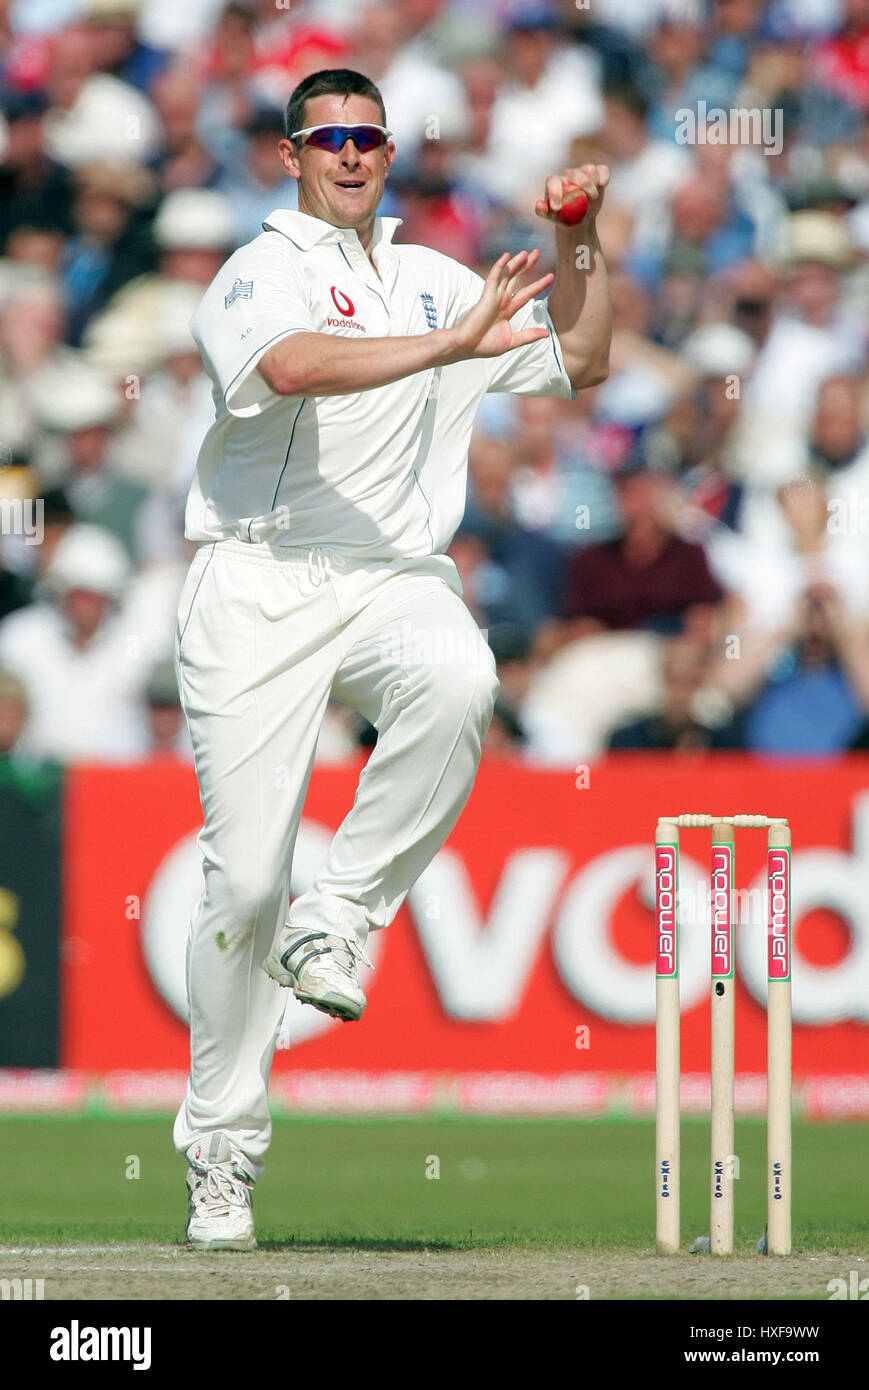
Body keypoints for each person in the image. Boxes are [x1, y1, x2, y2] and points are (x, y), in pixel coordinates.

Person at [175, 66, 611, 1250]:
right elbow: (290, 368)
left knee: (462, 675)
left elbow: (583, 353)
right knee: (244, 883)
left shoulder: (433, 281)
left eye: (369, 135)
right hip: (256, 583)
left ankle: (347, 910)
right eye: (330, 138)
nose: (353, 155)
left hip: (389, 572)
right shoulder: (258, 268)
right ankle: (220, 1155)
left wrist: (577, 239)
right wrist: (445, 350)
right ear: (291, 154)